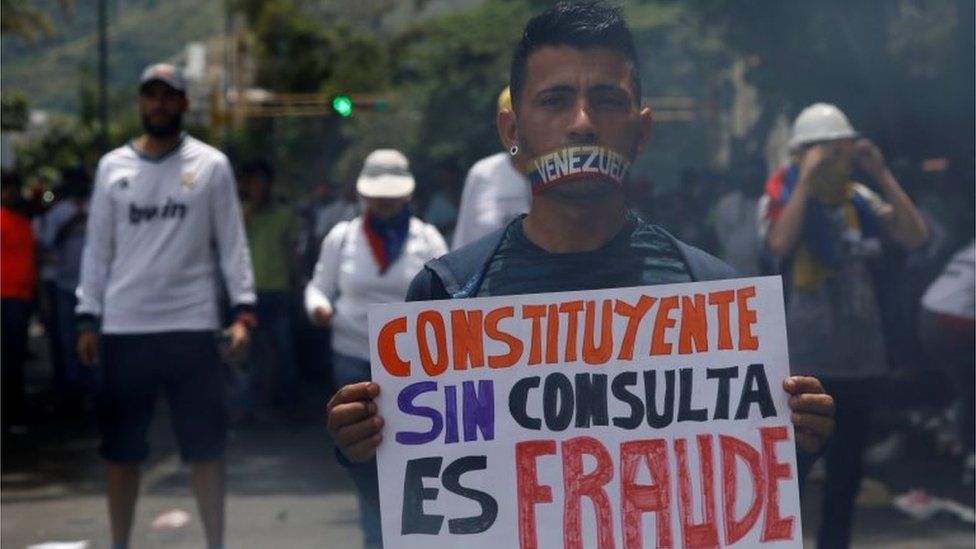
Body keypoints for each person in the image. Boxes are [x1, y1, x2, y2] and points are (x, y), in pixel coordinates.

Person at [326, 3, 836, 547]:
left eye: (608, 100)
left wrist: (796, 442)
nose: (583, 123)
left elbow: (738, 506)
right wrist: (362, 448)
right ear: (511, 130)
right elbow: (423, 508)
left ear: (641, 132)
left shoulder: (710, 295)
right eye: (555, 100)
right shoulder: (447, 293)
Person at [75, 63, 255, 549]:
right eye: (150, 95)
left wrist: (243, 311)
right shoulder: (114, 168)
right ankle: (119, 543)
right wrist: (87, 315)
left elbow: (231, 243)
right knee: (121, 451)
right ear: (140, 102)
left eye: (168, 96)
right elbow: (97, 249)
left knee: (205, 449)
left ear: (183, 103)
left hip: (192, 325)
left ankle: (215, 543)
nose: (158, 104)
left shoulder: (211, 165)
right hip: (125, 325)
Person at [758, 102, 928, 549]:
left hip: (859, 357)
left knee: (846, 474)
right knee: (788, 472)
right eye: (824, 152)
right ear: (801, 154)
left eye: (841, 151)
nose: (836, 161)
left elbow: (915, 236)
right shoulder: (780, 196)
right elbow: (778, 241)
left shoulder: (860, 198)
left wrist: (881, 175)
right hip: (803, 360)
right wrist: (807, 178)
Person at [305, 148, 447, 549]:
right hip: (353, 358)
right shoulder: (342, 237)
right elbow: (319, 285)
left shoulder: (427, 237)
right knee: (369, 460)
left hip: (412, 366)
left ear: (406, 194)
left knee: (415, 459)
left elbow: (447, 297)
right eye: (378, 193)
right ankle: (377, 540)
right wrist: (318, 306)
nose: (384, 200)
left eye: (392, 193)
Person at [239, 159, 302, 419]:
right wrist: (248, 212)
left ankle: (286, 404)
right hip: (246, 294)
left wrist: (298, 284)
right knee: (246, 353)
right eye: (252, 183)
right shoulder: (240, 213)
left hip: (277, 290)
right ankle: (247, 407)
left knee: (283, 350)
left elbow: (292, 252)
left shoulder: (284, 214)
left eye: (262, 183)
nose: (258, 188)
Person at [40, 166, 97, 415]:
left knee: (96, 340)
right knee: (67, 342)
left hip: (95, 288)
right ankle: (73, 396)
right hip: (65, 286)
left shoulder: (99, 208)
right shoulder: (58, 213)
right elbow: (47, 245)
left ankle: (96, 393)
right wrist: (71, 223)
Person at [918, 240, 975, 482]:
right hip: (951, 319)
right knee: (971, 389)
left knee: (969, 388)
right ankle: (971, 454)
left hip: (929, 312)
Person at [450, 86, 532, 250]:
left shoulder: (565, 171)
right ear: (503, 126)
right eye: (511, 124)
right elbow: (463, 241)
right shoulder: (482, 174)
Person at [1, 172, 36, 435]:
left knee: (14, 357)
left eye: (13, 188)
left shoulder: (23, 221)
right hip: (5, 297)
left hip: (21, 298)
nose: (10, 193)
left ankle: (14, 413)